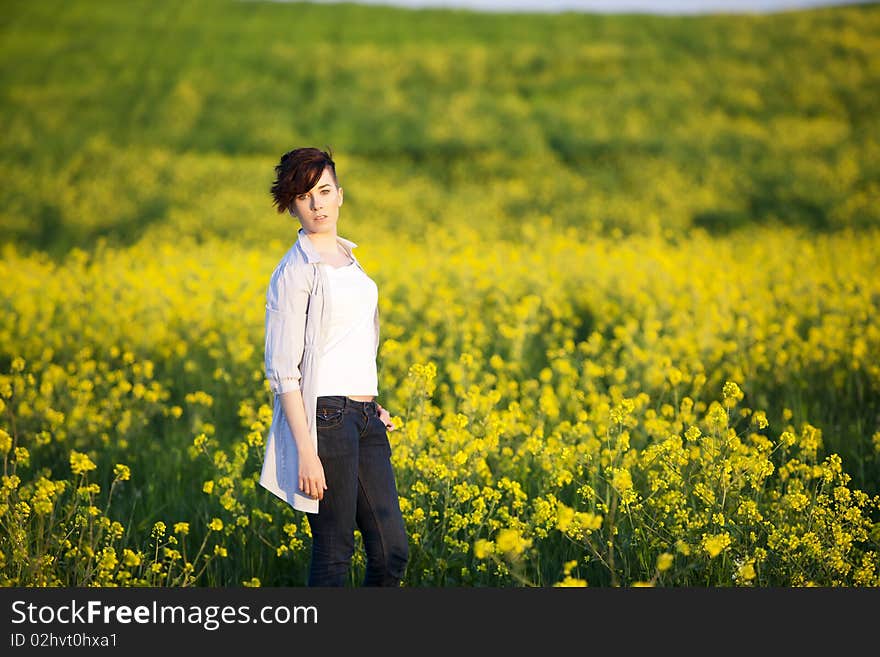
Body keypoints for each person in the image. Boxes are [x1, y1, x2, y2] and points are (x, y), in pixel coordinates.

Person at [259, 147, 409, 586]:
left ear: (340, 195)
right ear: (292, 207)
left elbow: (350, 344)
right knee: (334, 552)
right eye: (305, 196)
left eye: (324, 191)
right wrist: (307, 452)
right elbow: (283, 372)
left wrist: (372, 403)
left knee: (391, 550)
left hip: (364, 417)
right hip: (324, 420)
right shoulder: (294, 272)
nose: (317, 204)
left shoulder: (350, 260)